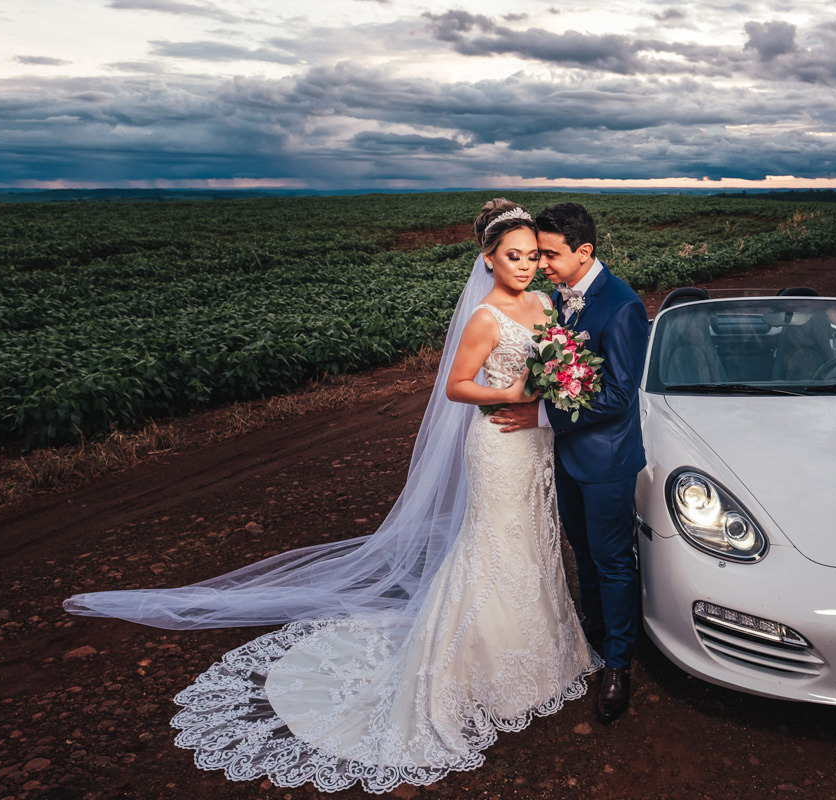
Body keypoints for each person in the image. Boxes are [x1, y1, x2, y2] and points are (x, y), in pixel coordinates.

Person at [63, 199, 601, 794]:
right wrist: (512, 394)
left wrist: (553, 388)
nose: (525, 265)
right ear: (488, 259)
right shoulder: (484, 316)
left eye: (532, 256)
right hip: (497, 444)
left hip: (534, 443)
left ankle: (541, 656)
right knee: (494, 542)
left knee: (534, 537)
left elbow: (557, 361)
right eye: (513, 256)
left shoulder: (544, 303)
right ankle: (474, 670)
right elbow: (455, 386)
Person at [489, 202, 649, 723]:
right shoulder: (560, 297)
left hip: (606, 461)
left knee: (613, 559)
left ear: (584, 251)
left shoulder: (622, 306)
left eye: (550, 255)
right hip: (566, 455)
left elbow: (619, 396)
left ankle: (619, 664)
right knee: (582, 550)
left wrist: (541, 416)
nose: (542, 265)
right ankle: (595, 635)